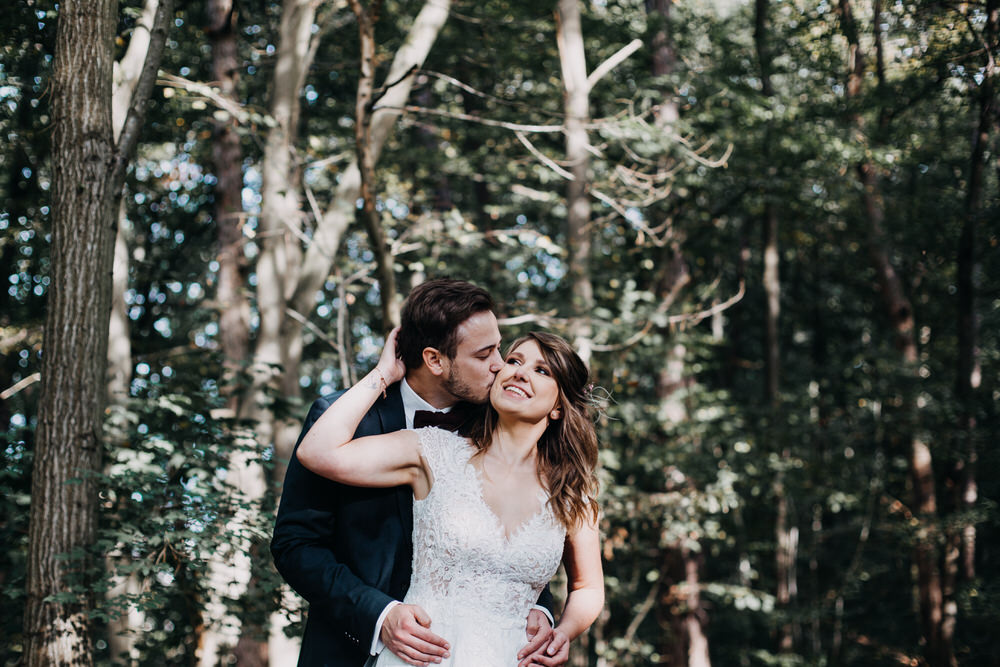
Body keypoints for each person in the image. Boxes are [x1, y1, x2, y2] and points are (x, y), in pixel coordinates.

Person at [271, 279, 561, 667]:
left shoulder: (505, 421)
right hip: (349, 652)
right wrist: (378, 614)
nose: (500, 365)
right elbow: (295, 544)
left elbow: (519, 535)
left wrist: (541, 611)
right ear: (435, 360)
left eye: (500, 348)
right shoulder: (341, 421)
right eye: (484, 353)